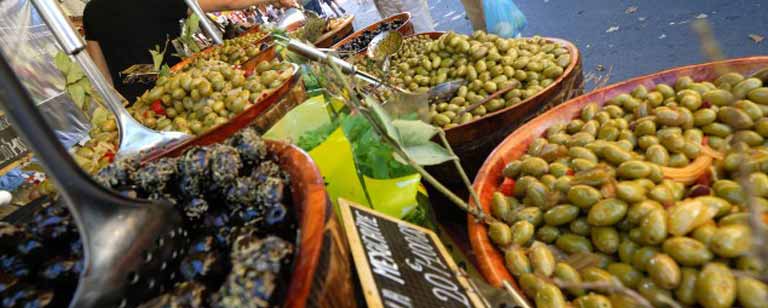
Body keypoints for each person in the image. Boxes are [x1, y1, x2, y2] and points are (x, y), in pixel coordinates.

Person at [83, 0, 297, 101]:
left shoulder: (90, 11)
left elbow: (102, 77)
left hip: (140, 105)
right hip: (180, 92)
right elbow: (228, 2)